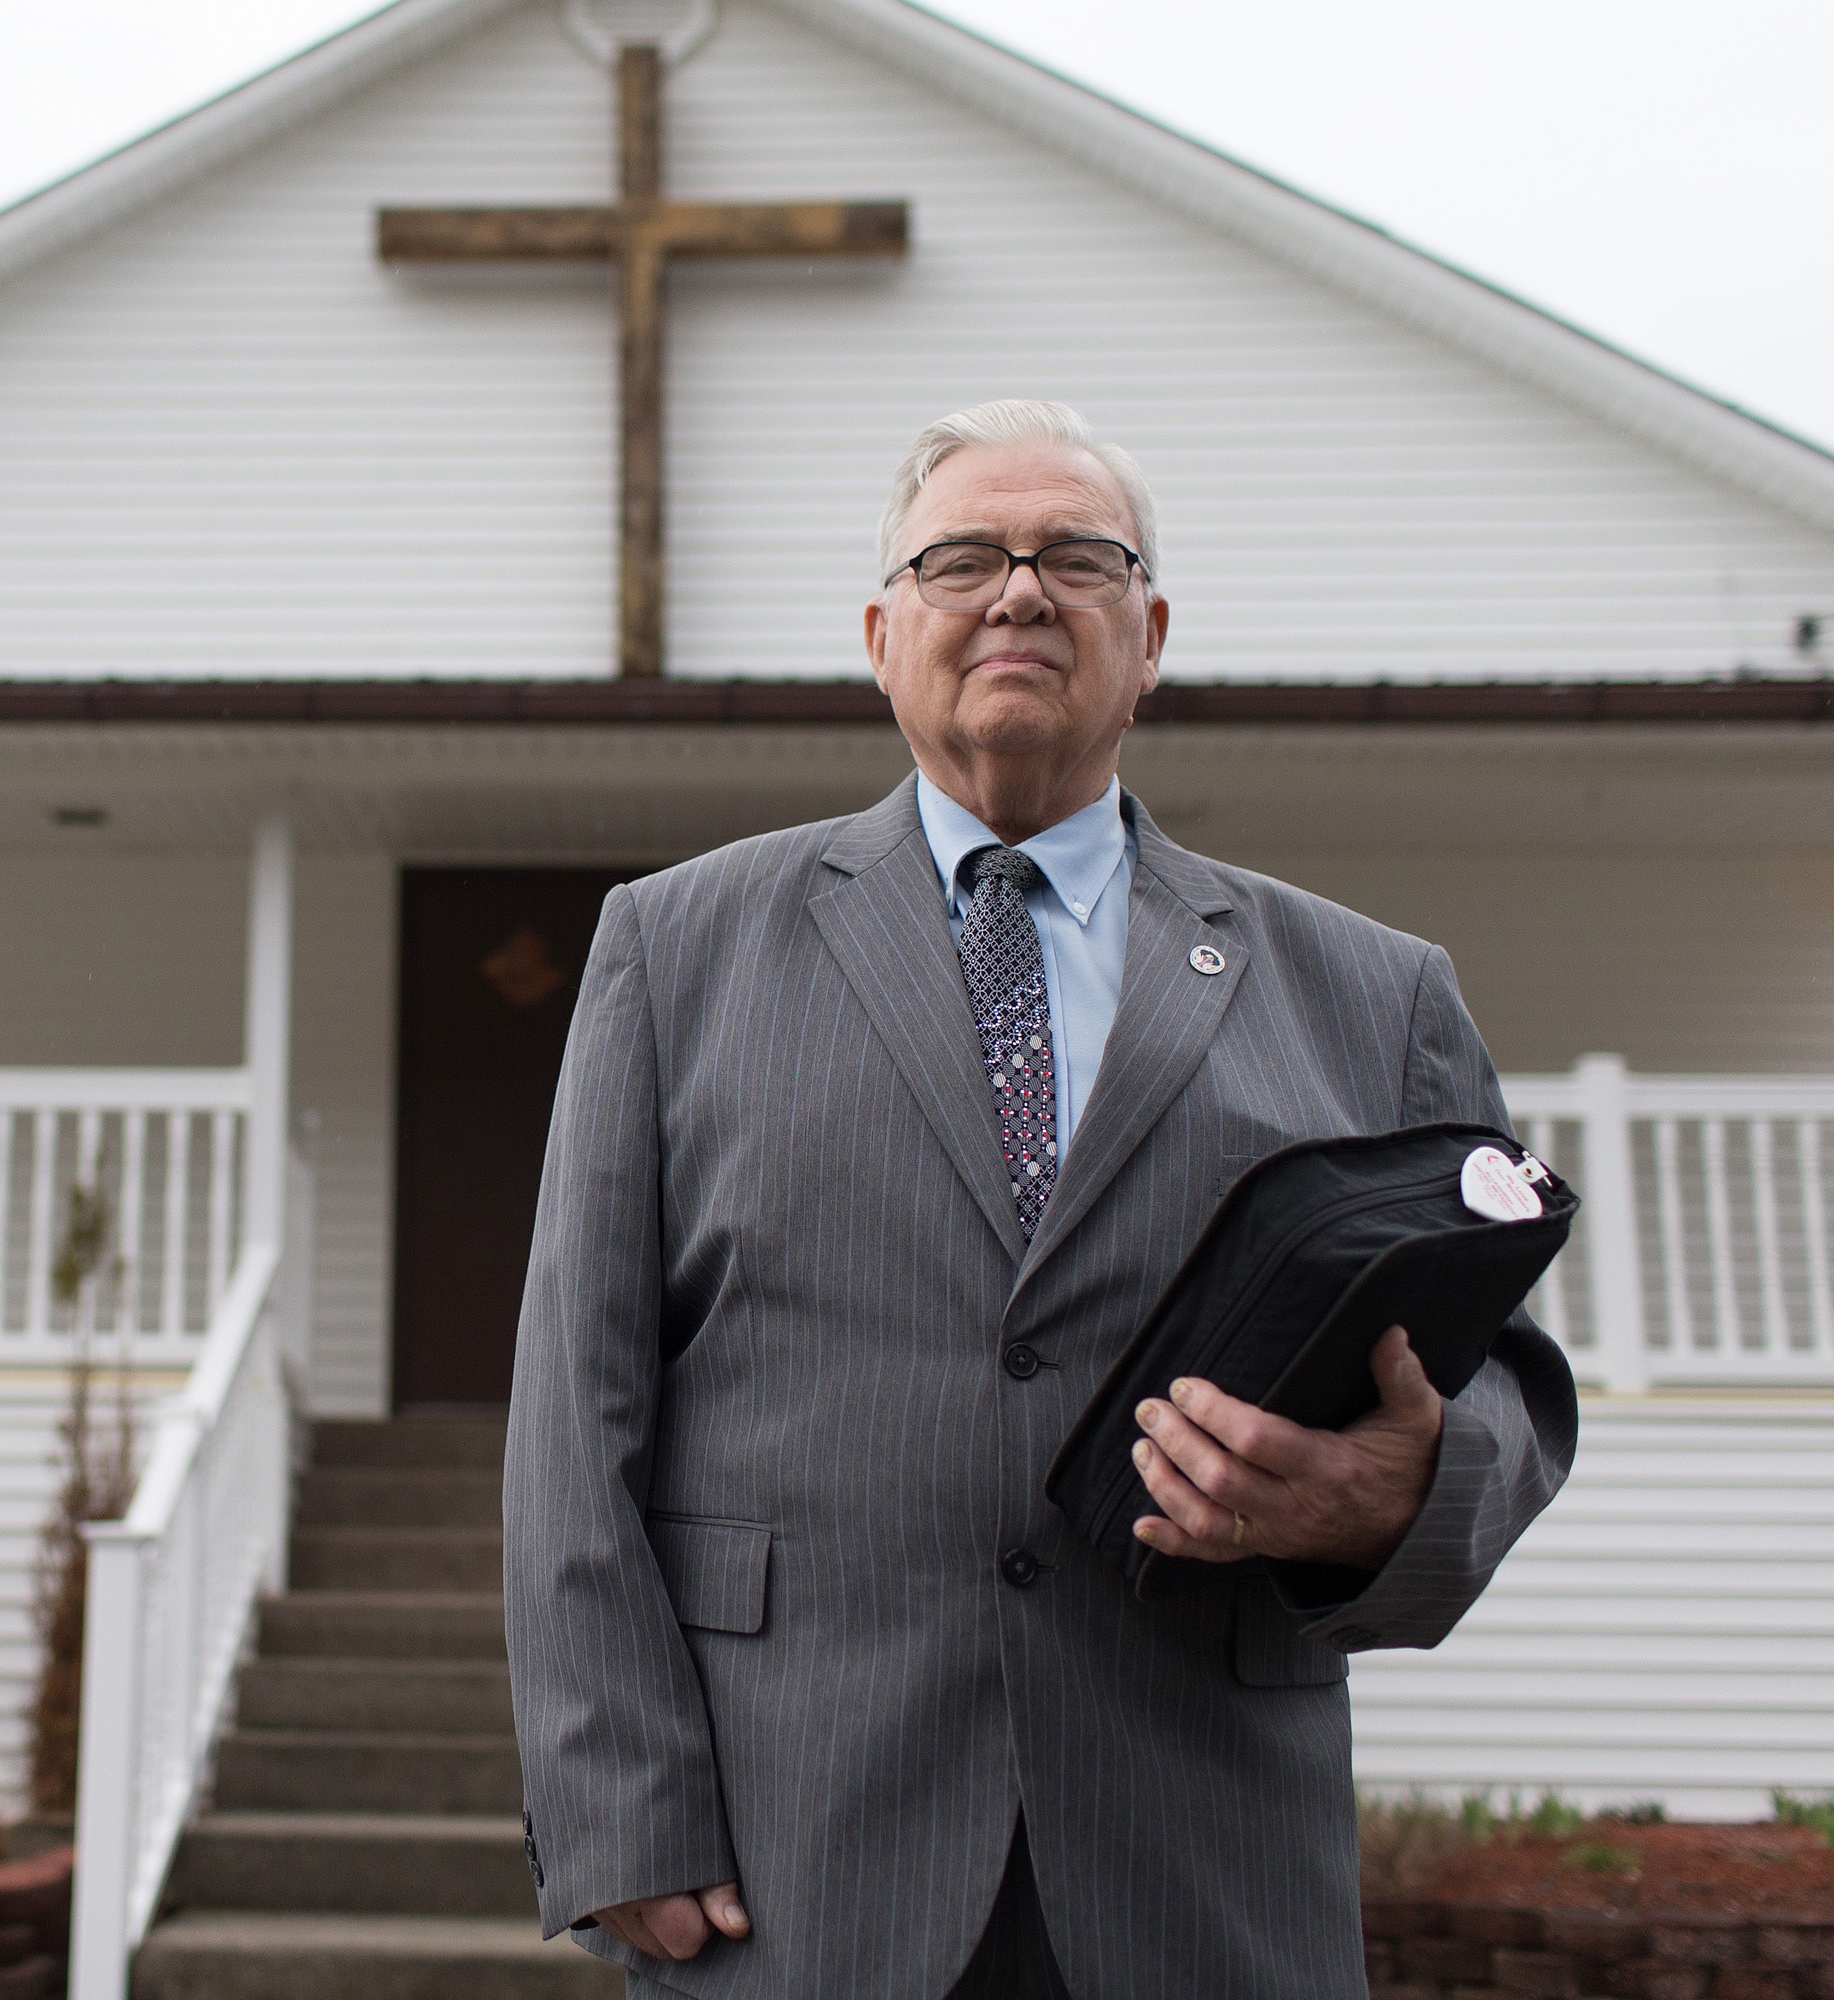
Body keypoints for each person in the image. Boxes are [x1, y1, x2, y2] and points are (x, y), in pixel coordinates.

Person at [502, 399, 1578, 1997]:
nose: (1018, 594)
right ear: (883, 634)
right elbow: (574, 1414)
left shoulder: (1372, 991)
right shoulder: (677, 953)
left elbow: (1509, 1384)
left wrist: (1398, 1498)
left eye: (1078, 558)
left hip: (1200, 1858)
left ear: (1149, 637)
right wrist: (614, 1810)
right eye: (962, 559)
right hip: (795, 1858)